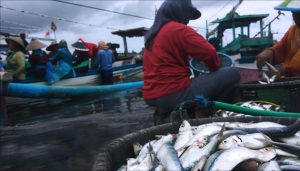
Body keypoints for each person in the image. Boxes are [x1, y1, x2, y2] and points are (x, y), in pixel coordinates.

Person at [142, 0, 240, 123]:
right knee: (232, 73)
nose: (188, 20)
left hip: (151, 95)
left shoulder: (152, 34)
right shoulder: (178, 29)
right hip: (174, 94)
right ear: (180, 13)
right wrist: (215, 70)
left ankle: (165, 111)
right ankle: (212, 115)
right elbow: (209, 52)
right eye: (187, 15)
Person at [256, 0, 300, 77]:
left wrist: (283, 70)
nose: (295, 17)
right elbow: (280, 49)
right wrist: (270, 52)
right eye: (293, 13)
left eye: (298, 14)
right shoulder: (293, 30)